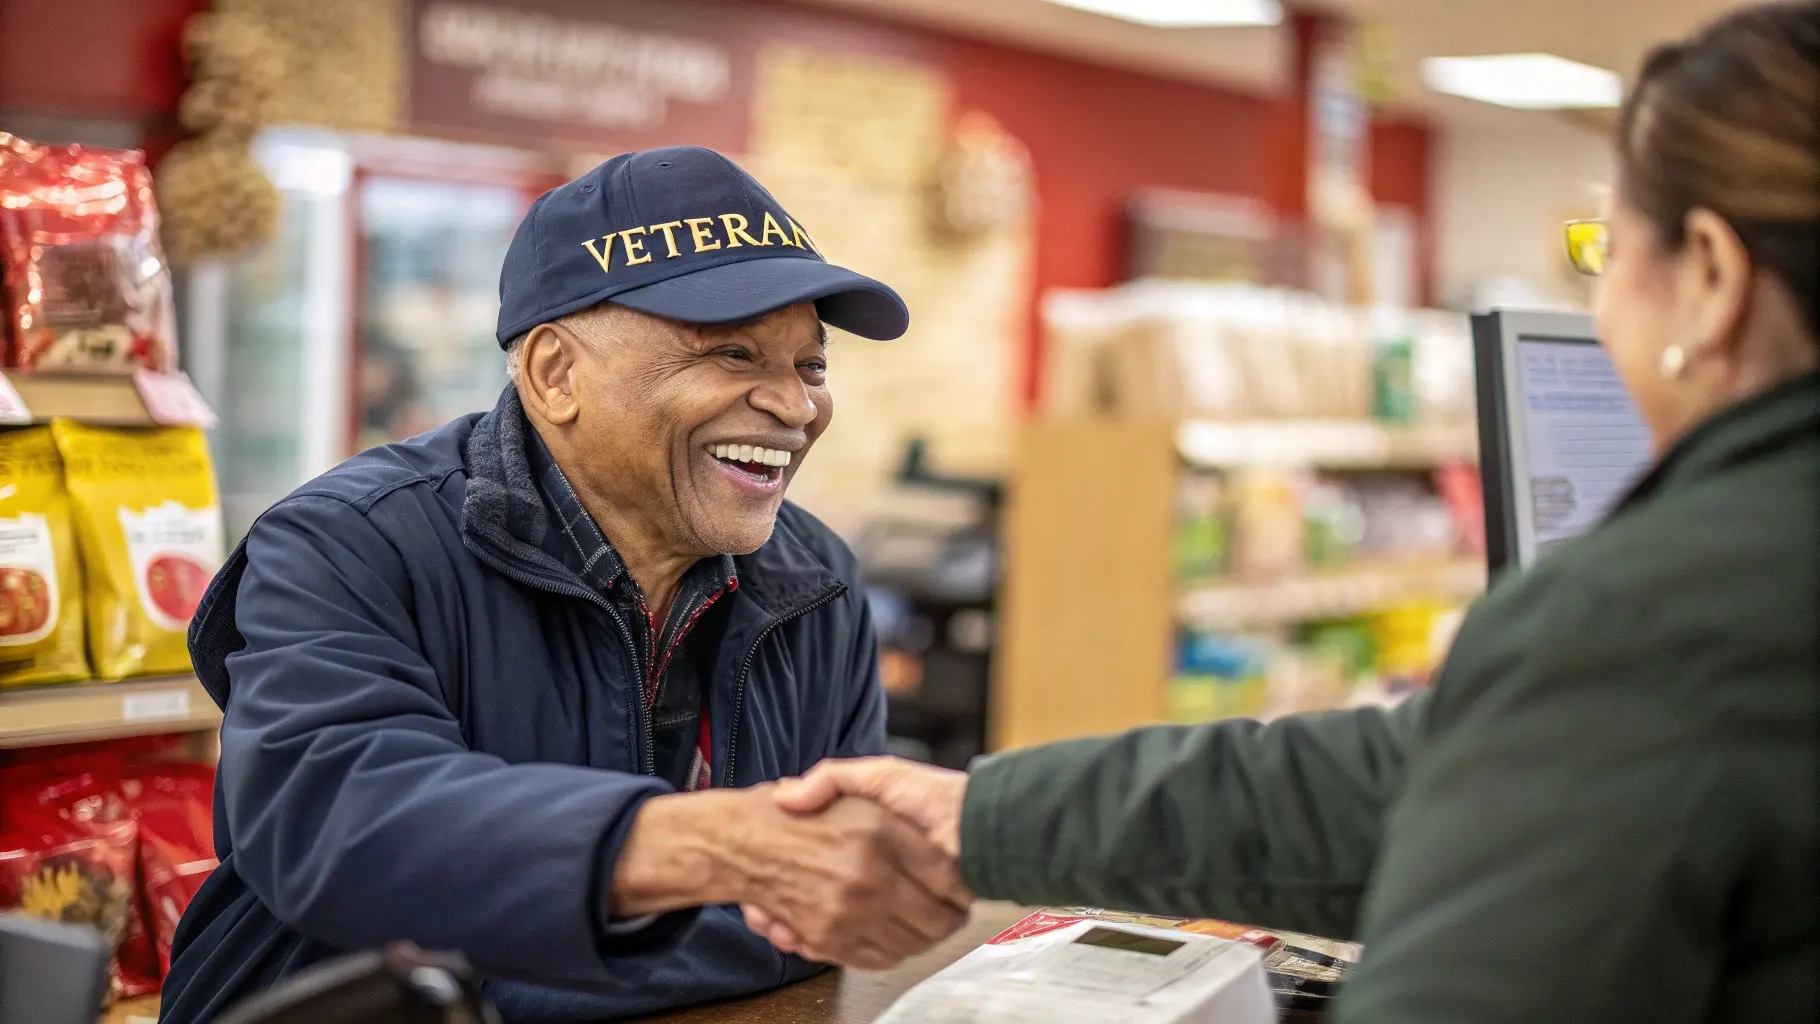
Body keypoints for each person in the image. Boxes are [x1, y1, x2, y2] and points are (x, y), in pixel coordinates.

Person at [757, 4, 1820, 1020]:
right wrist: (983, 814)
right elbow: (1394, 784)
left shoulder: (1650, 621)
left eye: (1606, 248)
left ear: (1713, 277)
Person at [158, 147, 970, 1024]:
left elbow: (827, 909)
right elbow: (343, 829)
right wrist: (718, 851)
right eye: (733, 353)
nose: (794, 404)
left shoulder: (816, 581)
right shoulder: (348, 544)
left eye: (810, 366)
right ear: (554, 373)